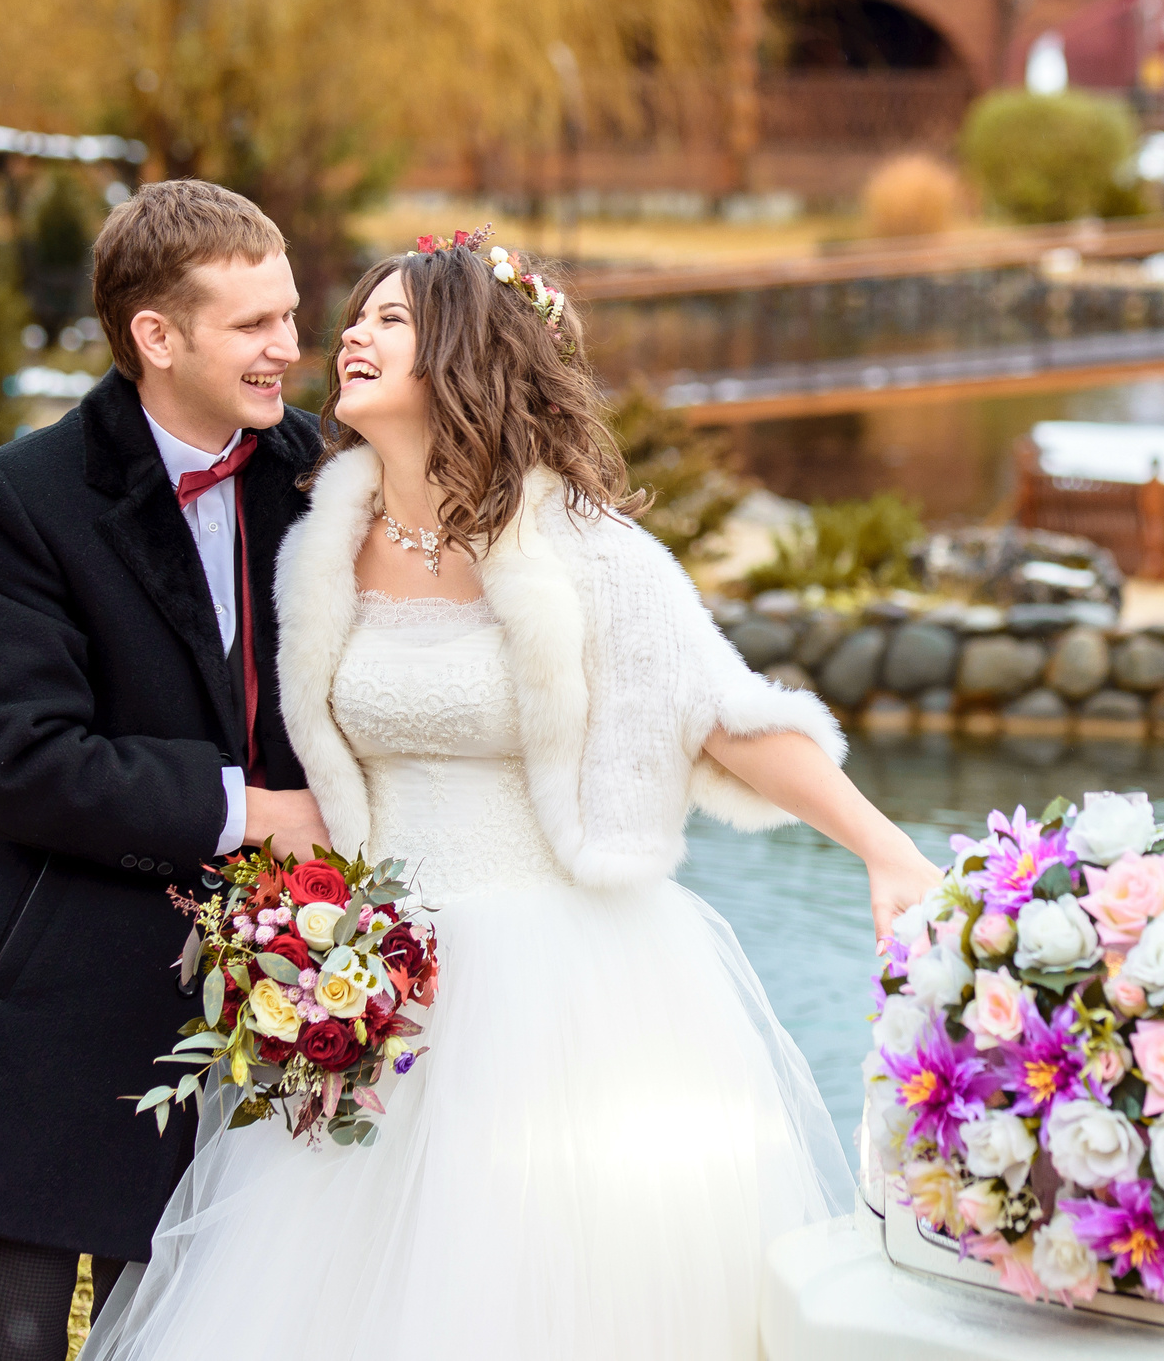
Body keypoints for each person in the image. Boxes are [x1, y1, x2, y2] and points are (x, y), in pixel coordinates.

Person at [81, 231, 943, 1361]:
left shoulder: (583, 548)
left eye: (389, 319)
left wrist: (886, 849)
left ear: (463, 354)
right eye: (357, 315)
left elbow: (723, 715)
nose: (349, 334)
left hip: (567, 987)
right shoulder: (314, 539)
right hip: (370, 988)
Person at [0, 180, 333, 1361]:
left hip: (267, 1008)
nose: (285, 348)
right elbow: (17, 758)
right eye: (252, 323)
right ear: (157, 335)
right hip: (60, 997)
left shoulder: (317, 472)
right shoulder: (18, 497)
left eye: (289, 314)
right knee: (0, 1341)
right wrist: (243, 810)